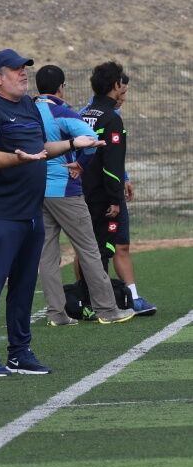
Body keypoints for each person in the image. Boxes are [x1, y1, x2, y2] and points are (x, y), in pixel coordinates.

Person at [0, 49, 104, 377]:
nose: (23, 73)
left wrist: (74, 144)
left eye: (24, 68)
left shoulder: (29, 106)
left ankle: (19, 353)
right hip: (1, 213)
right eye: (15, 69)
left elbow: (42, 148)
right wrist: (18, 158)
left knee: (25, 285)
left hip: (32, 211)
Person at [34, 65, 134, 326]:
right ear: (61, 87)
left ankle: (57, 314)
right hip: (65, 189)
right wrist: (81, 163)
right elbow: (90, 139)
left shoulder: (28, 110)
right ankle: (107, 309)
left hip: (37, 190)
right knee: (89, 249)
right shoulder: (62, 111)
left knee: (48, 255)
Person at [79, 74, 157, 315]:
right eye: (122, 91)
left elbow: (112, 157)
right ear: (113, 87)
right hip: (100, 194)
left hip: (110, 189)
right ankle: (89, 299)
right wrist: (115, 194)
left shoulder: (106, 114)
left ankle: (132, 297)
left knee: (119, 244)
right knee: (90, 248)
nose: (124, 97)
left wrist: (125, 177)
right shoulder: (97, 116)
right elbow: (101, 159)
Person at [79, 61, 129, 301]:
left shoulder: (83, 114)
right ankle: (100, 303)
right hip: (101, 196)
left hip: (81, 191)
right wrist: (115, 199)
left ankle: (86, 299)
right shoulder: (111, 119)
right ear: (117, 84)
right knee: (103, 247)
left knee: (86, 248)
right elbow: (112, 166)